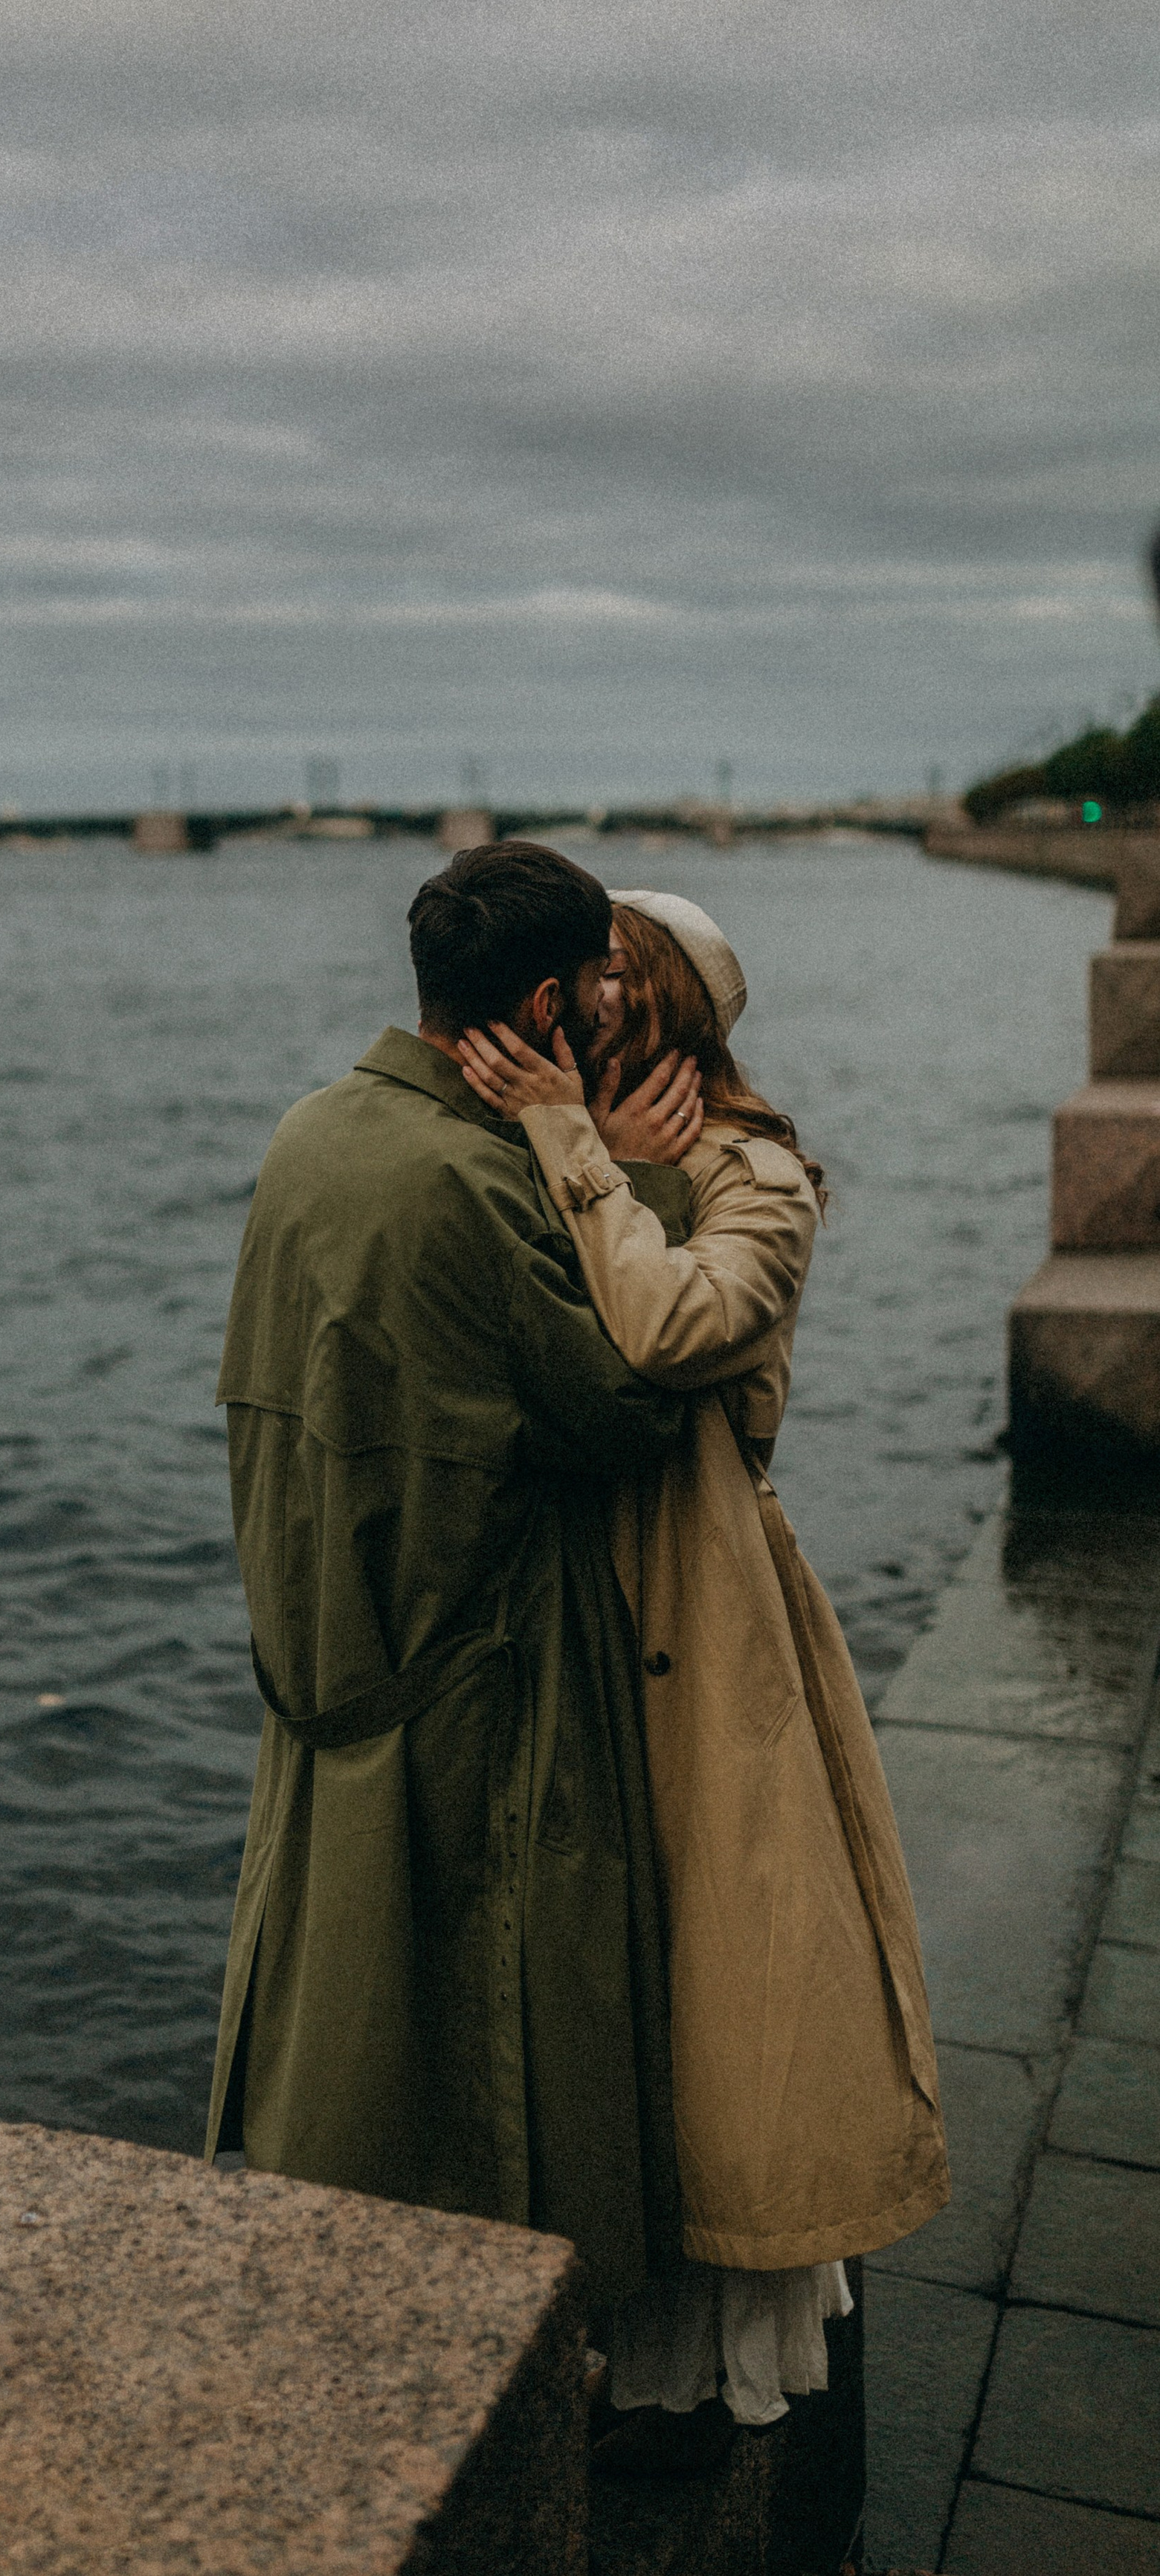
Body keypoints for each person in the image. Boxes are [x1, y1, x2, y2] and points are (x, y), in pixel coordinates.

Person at [457, 890, 949, 2439]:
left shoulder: (757, 1174)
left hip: (706, 1609)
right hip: (578, 1597)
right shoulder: (614, 1154)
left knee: (714, 1974)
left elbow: (671, 1328)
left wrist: (580, 1152)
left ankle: (690, 2369)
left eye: (609, 969)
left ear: (660, 1001)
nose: (576, 996)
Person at [203, 842, 716, 2314]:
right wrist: (653, 1194)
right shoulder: (468, 1184)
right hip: (481, 1672)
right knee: (498, 2046)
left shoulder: (313, 1131)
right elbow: (622, 1405)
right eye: (604, 992)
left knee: (355, 2042)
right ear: (548, 1006)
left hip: (321, 1664)